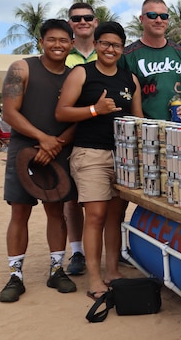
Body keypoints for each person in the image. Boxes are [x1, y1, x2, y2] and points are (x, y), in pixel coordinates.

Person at [56, 21, 143, 299]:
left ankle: (112, 271)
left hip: (124, 156)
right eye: (105, 43)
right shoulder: (82, 73)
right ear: (95, 45)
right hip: (90, 153)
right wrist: (95, 109)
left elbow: (137, 118)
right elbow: (62, 112)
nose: (110, 49)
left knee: (116, 217)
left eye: (116, 45)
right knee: (95, 215)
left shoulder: (130, 79)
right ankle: (94, 278)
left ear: (122, 49)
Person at [0, 19, 77, 303]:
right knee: (20, 212)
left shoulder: (74, 76)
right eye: (51, 39)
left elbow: (77, 119)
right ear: (41, 41)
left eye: (63, 40)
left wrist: (56, 144)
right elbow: (10, 112)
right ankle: (15, 274)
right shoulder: (22, 68)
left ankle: (57, 268)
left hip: (58, 150)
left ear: (72, 44)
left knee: (56, 209)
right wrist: (42, 138)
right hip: (24, 149)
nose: (57, 45)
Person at [64, 1, 99, 277]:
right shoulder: (64, 53)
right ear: (70, 23)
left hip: (101, 135)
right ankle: (76, 251)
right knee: (71, 198)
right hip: (67, 134)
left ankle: (110, 250)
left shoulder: (108, 51)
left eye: (87, 17)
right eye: (77, 18)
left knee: (104, 199)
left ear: (95, 21)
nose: (82, 22)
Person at [119, 0, 181, 122]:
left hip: (179, 128)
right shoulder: (127, 56)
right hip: (145, 128)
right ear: (141, 19)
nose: (159, 20)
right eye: (152, 15)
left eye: (163, 16)